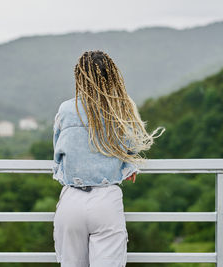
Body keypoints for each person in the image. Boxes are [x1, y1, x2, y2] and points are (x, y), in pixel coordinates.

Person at [52, 50, 165, 267]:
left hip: (71, 199)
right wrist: (129, 167)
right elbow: (129, 149)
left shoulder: (66, 109)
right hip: (106, 199)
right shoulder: (120, 108)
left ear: (79, 77)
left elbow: (58, 152)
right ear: (112, 76)